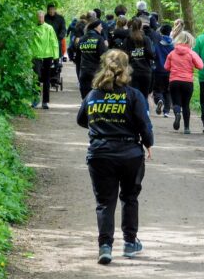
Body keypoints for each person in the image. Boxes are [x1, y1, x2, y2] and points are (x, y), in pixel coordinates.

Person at [77, 49, 153, 264]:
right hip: (130, 154)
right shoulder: (133, 95)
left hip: (100, 153)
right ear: (126, 68)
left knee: (104, 202)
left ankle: (105, 246)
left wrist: (102, 123)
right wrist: (148, 144)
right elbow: (143, 124)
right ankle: (130, 242)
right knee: (130, 198)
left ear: (103, 66)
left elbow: (82, 120)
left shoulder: (92, 95)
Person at [164, 31, 204, 134]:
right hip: (187, 82)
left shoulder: (172, 53)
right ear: (190, 41)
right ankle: (187, 128)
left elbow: (166, 67)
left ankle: (177, 114)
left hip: (174, 81)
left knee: (176, 103)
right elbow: (200, 66)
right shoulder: (191, 53)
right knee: (186, 105)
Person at [31, 10, 59, 109]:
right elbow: (29, 43)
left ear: (44, 18)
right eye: (38, 17)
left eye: (41, 17)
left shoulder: (49, 28)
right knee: (36, 78)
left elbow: (54, 42)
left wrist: (56, 58)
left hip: (47, 55)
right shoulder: (32, 28)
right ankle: (35, 100)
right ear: (36, 18)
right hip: (36, 56)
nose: (40, 19)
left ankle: (45, 102)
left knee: (47, 79)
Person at [122, 18, 155, 101]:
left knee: (132, 97)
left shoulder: (127, 40)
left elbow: (124, 56)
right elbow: (150, 54)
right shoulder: (146, 39)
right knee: (144, 98)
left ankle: (133, 113)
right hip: (145, 71)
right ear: (141, 26)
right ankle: (144, 113)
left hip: (132, 72)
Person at [77, 19, 108, 99]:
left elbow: (77, 56)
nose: (101, 28)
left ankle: (86, 109)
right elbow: (104, 56)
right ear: (96, 27)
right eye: (100, 26)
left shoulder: (82, 39)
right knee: (96, 96)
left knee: (85, 97)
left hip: (84, 71)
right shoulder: (99, 39)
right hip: (96, 71)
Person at [153, 24, 174, 117]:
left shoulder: (157, 45)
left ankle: (159, 100)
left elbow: (153, 54)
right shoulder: (173, 46)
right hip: (170, 71)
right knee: (168, 91)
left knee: (157, 90)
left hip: (158, 70)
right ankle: (166, 111)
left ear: (161, 32)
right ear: (170, 32)